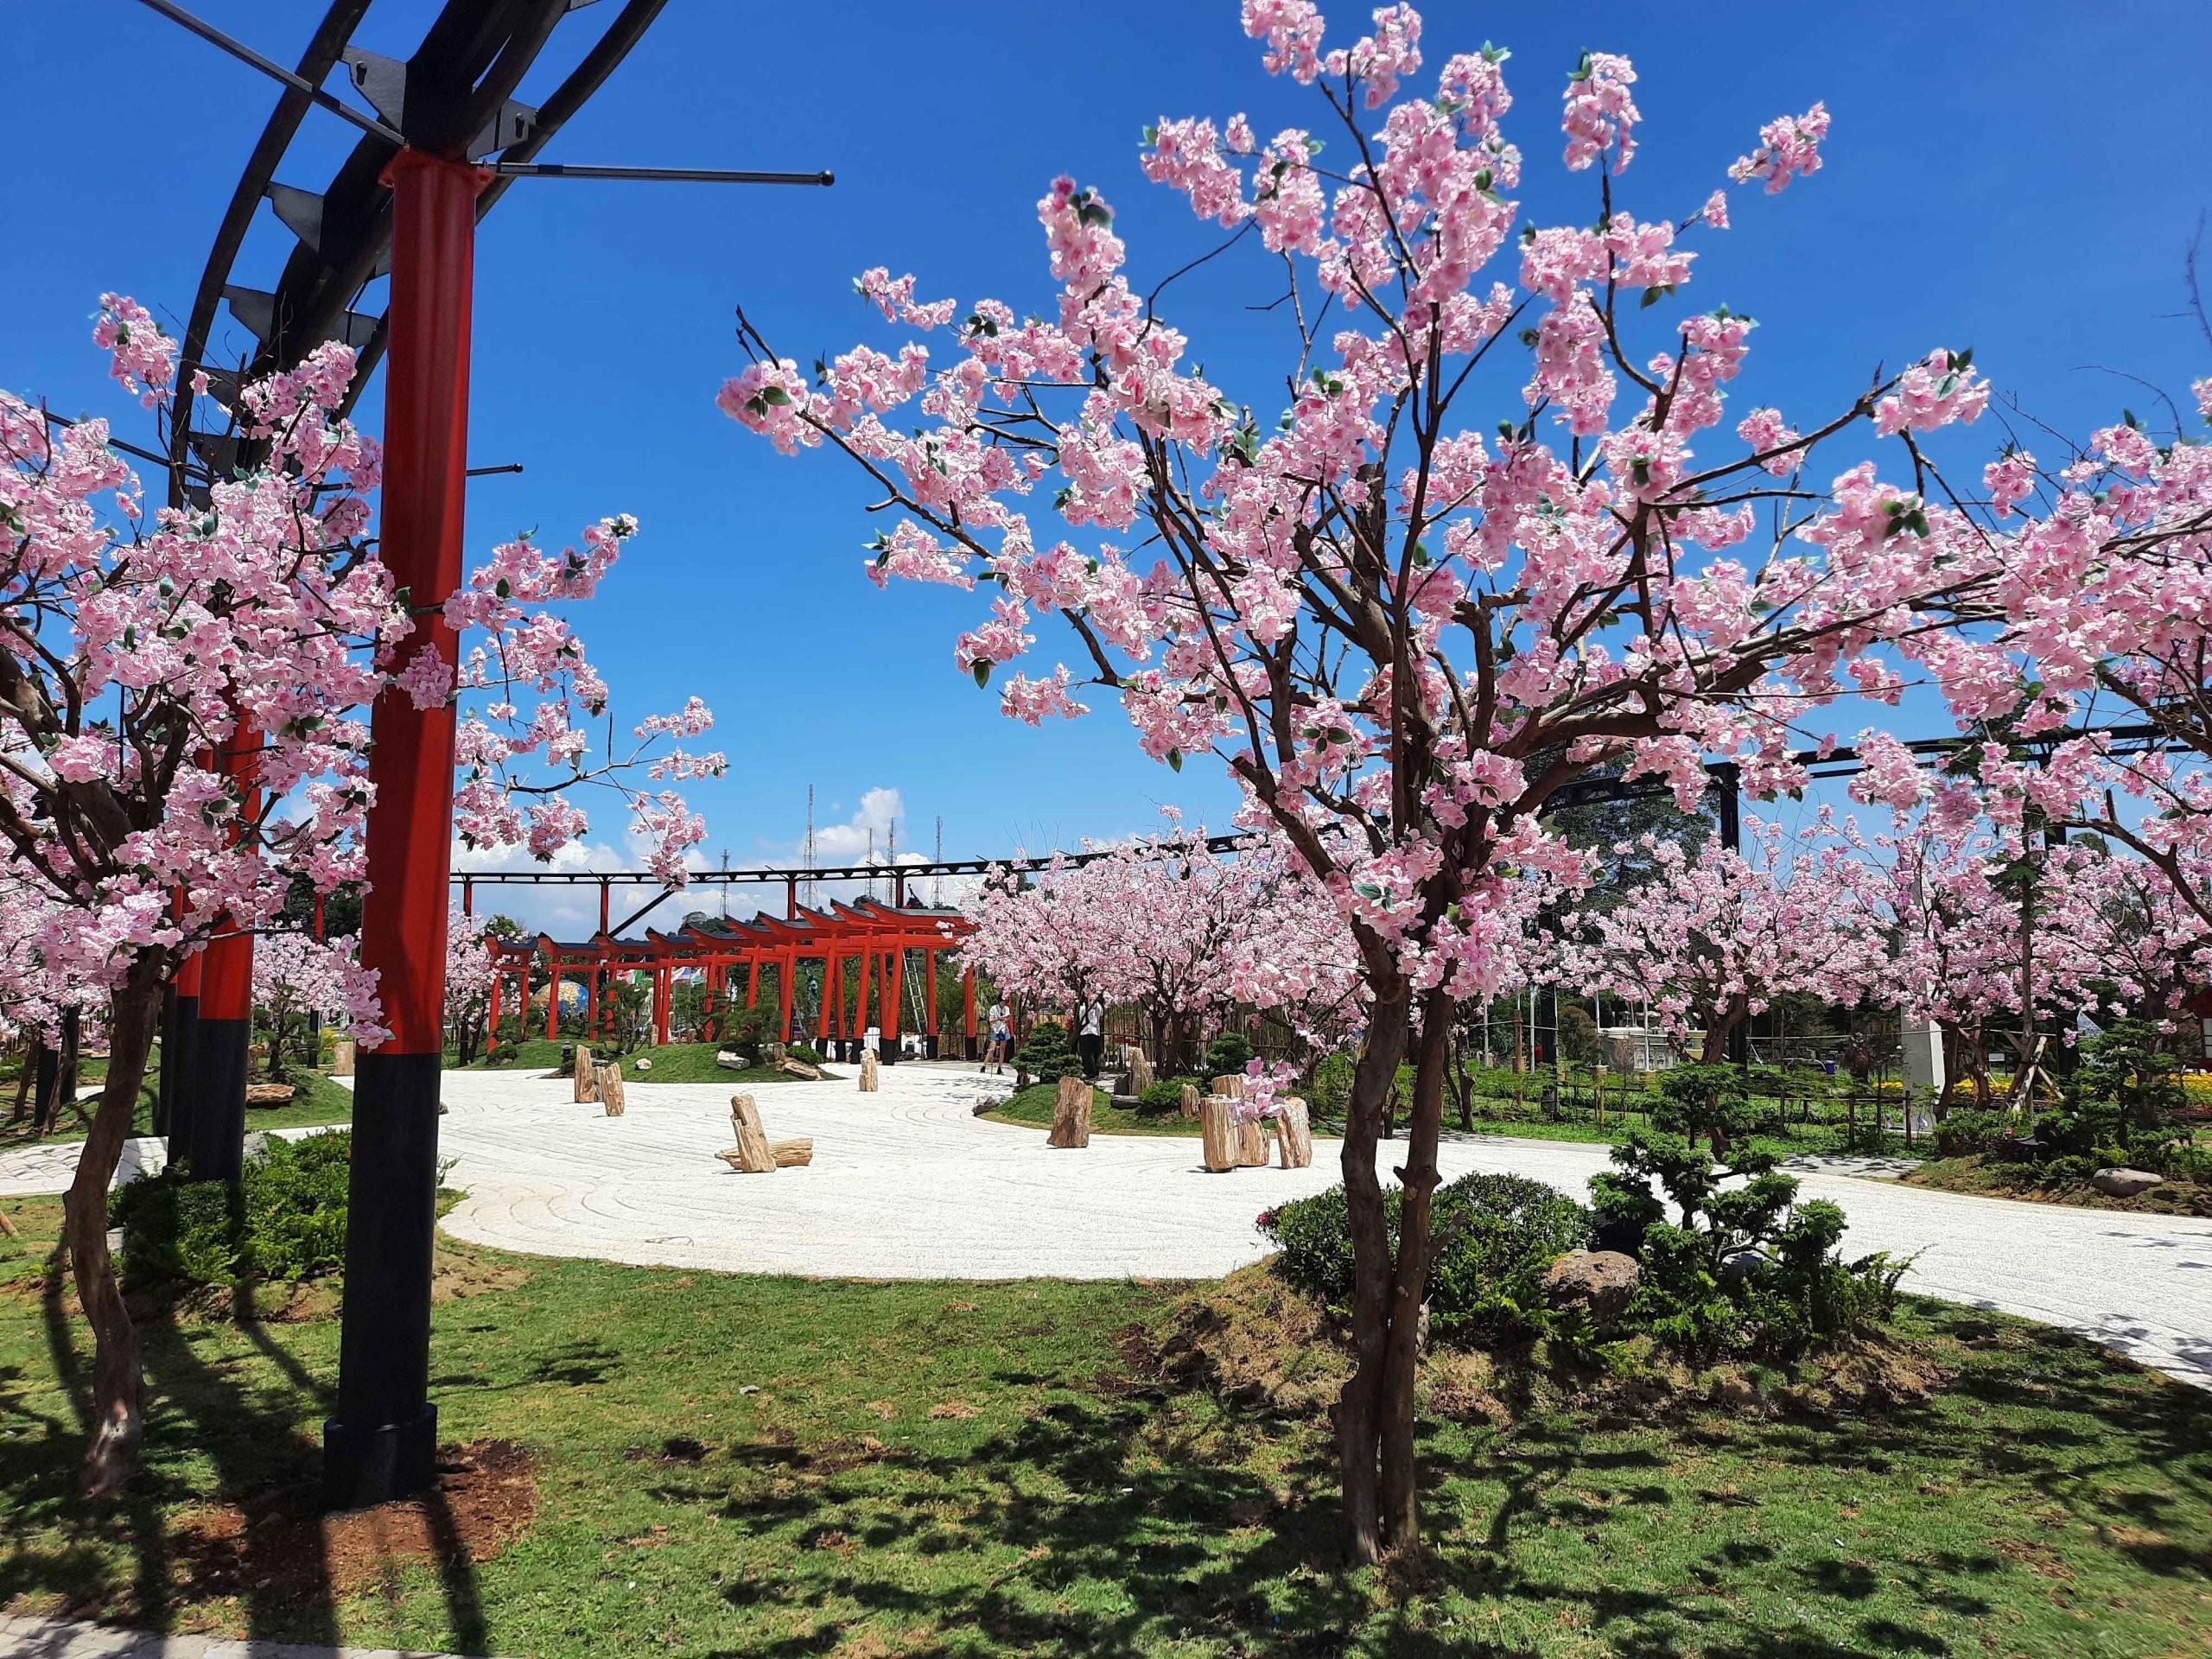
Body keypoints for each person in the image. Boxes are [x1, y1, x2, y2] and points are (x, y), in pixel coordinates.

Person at [982, 997, 1012, 1074]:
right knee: (992, 1049)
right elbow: (991, 1020)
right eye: (1002, 1001)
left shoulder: (1007, 1008)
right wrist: (998, 1018)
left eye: (1005, 1001)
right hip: (995, 1029)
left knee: (1002, 1050)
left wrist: (1005, 1018)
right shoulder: (994, 1008)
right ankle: (984, 1066)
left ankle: (1000, 1068)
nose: (1004, 1003)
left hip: (1004, 1029)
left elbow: (1007, 1017)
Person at [1077, 999, 1104, 1080]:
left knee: (1087, 1054)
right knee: (1095, 1053)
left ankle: (1090, 1072)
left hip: (1085, 1031)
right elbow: (1100, 1015)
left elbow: (1080, 1017)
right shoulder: (1098, 1006)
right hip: (1095, 1031)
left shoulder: (1082, 1007)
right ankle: (1096, 1071)